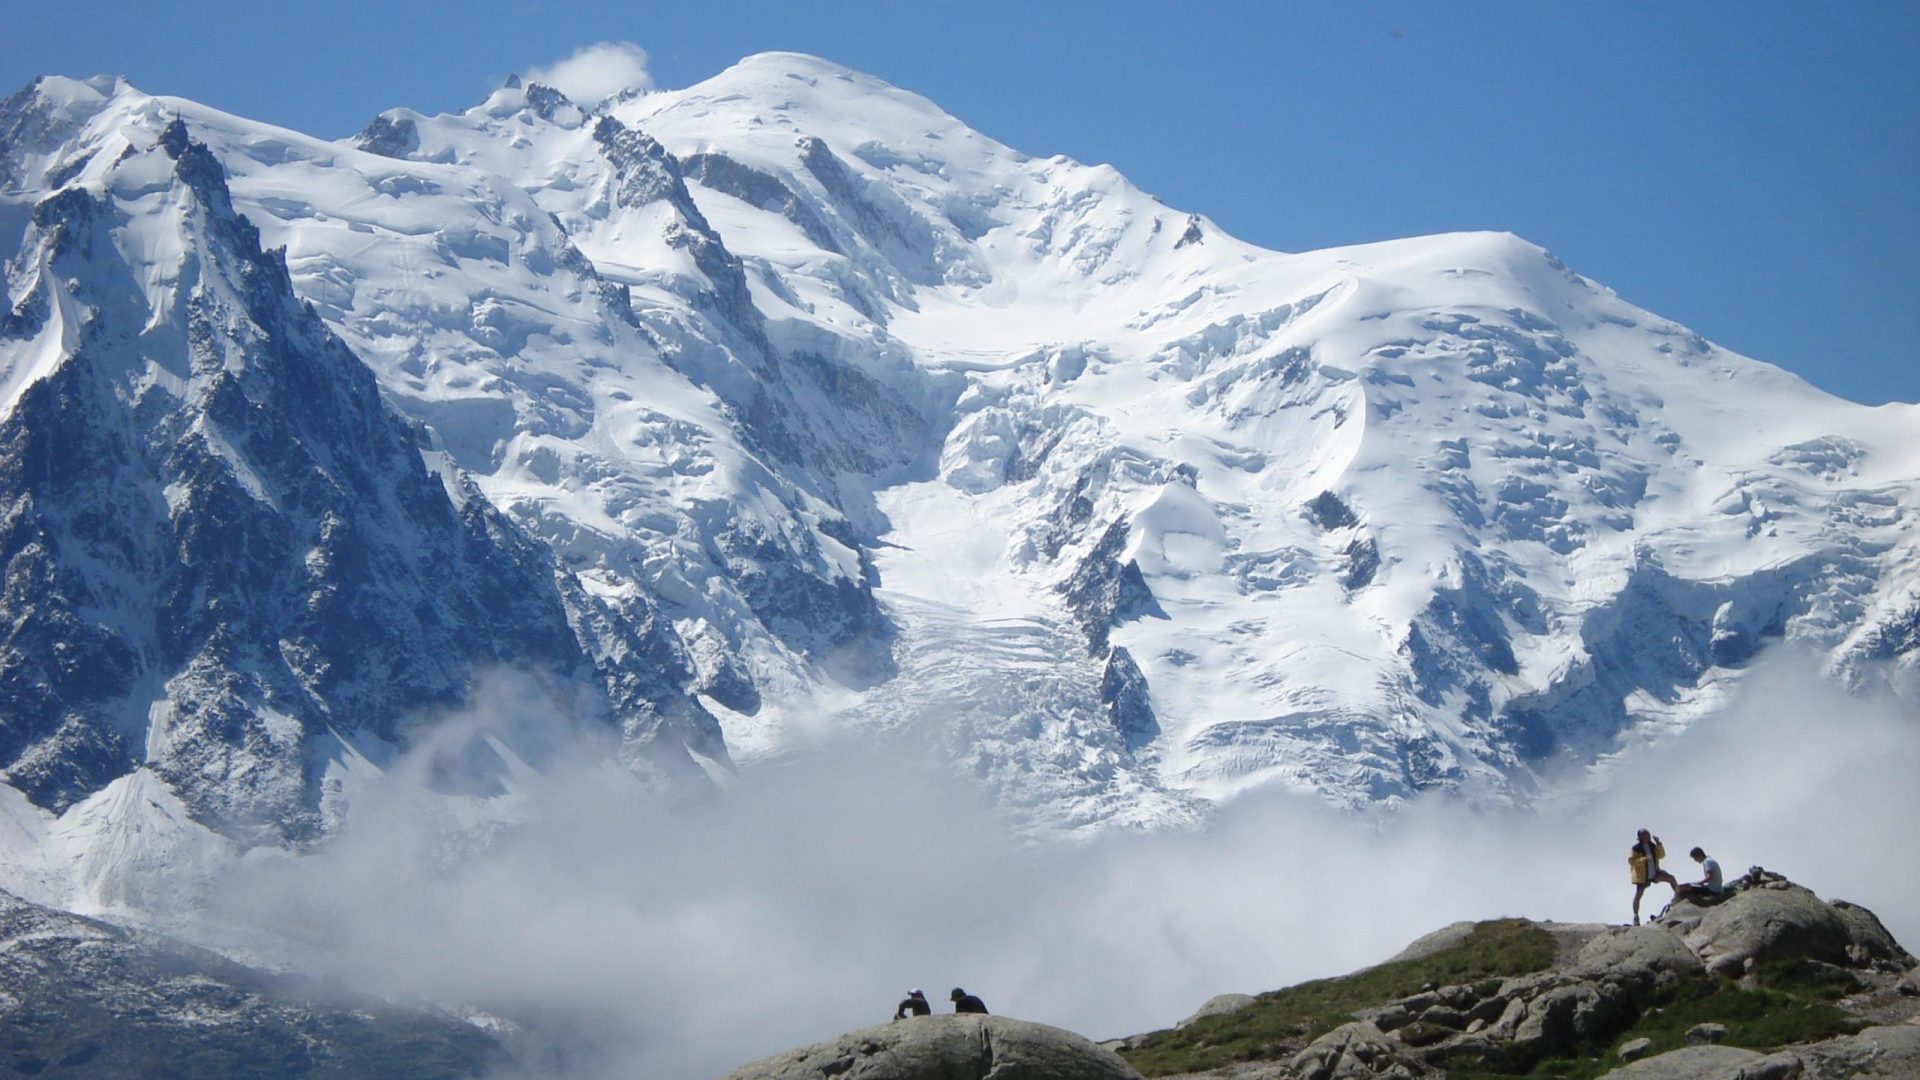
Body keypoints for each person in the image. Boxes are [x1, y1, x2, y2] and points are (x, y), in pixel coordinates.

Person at [1629, 828, 1677, 925]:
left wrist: (1659, 843)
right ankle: (1635, 916)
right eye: (1646, 834)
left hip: (1654, 872)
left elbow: (1662, 855)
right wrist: (1643, 859)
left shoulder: (1652, 845)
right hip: (1643, 876)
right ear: (1640, 837)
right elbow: (1631, 861)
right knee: (1639, 895)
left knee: (1671, 878)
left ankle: (1678, 897)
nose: (1648, 835)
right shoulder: (1636, 848)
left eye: (1648, 833)